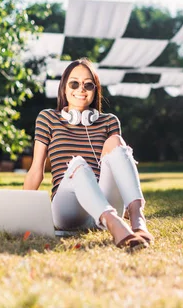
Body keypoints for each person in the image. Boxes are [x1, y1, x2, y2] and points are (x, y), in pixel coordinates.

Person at [23, 58, 153, 250]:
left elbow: (119, 167)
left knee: (116, 142)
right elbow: (36, 171)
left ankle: (137, 221)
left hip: (102, 201)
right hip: (67, 209)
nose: (81, 89)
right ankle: (114, 224)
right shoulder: (48, 118)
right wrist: (21, 210)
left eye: (88, 85)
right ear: (64, 88)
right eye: (74, 83)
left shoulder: (109, 121)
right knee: (78, 164)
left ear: (95, 90)